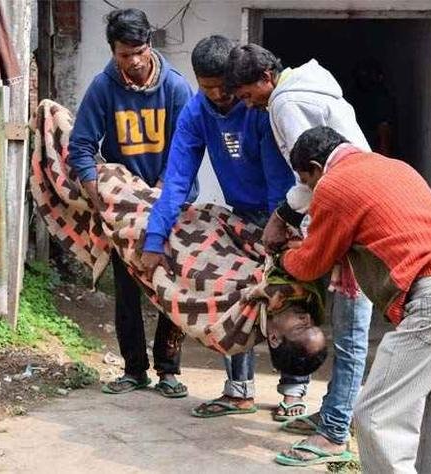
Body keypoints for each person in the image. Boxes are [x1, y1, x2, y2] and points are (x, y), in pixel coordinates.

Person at [278, 126, 431, 471]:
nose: (309, 190)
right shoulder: (392, 166)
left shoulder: (334, 185)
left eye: (307, 181)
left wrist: (283, 255)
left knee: (375, 414)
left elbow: (310, 264)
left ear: (318, 167)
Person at [140, 35, 311, 420]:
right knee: (233, 295)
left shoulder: (259, 110)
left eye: (224, 86)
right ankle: (238, 391)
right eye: (208, 87)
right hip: (240, 214)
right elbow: (178, 179)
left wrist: (280, 232)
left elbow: (275, 178)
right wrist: (155, 238)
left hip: (283, 214)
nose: (218, 94)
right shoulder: (196, 112)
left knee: (285, 299)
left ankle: (294, 390)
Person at [225, 44, 374, 466]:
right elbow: (316, 176)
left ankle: (335, 431)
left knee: (349, 338)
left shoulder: (286, 104)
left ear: (265, 79)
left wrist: (305, 237)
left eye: (244, 94)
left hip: (352, 223)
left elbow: (318, 176)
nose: (246, 103)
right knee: (348, 335)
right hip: (348, 214)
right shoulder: (316, 90)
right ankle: (331, 414)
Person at [68, 8, 194, 398]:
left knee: (170, 286)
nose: (134, 61)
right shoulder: (103, 88)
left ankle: (169, 371)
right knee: (127, 289)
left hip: (170, 200)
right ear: (113, 52)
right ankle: (134, 369)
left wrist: (161, 193)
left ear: (149, 45)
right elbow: (81, 147)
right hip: (123, 208)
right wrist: (100, 197)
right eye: (124, 55)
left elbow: (185, 150)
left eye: (139, 51)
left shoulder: (175, 87)